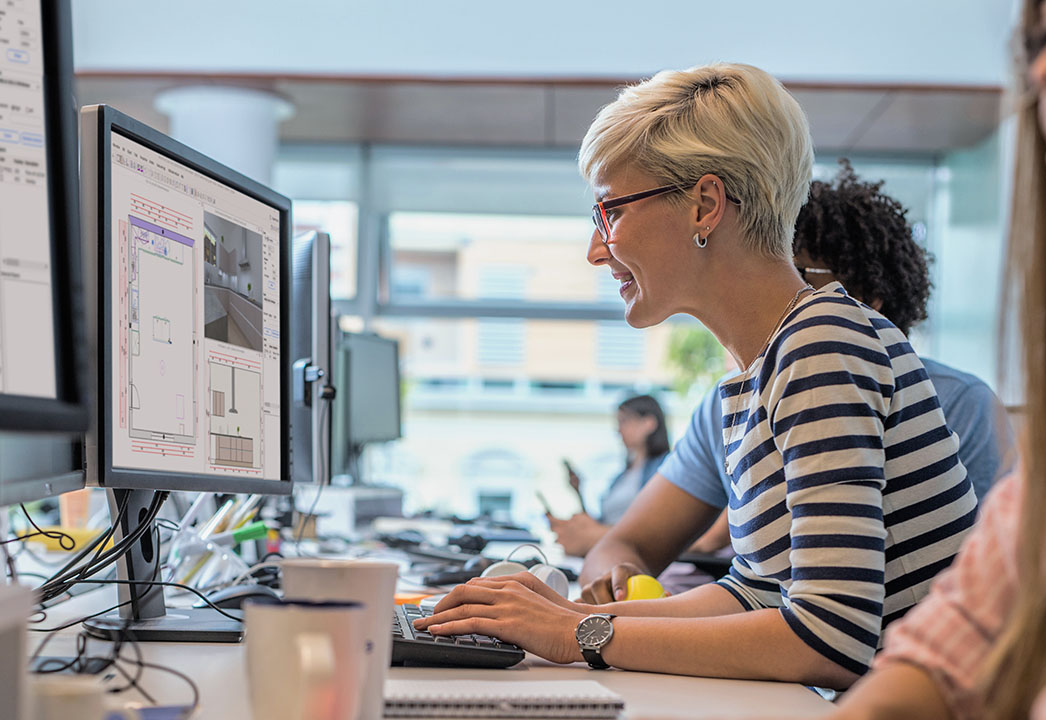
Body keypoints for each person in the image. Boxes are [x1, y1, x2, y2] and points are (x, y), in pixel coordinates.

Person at [414, 63, 976, 689]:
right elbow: (754, 593)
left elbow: (830, 636)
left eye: (610, 212)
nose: (597, 249)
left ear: (705, 205)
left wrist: (577, 635)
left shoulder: (821, 344)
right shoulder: (758, 369)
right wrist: (568, 615)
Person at [811, 1, 1046, 717]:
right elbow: (954, 641)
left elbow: (828, 629)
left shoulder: (953, 396)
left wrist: (593, 632)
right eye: (1039, 36)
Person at [577, 162, 1019, 599]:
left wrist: (588, 630)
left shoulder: (953, 400)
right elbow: (757, 593)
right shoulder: (732, 402)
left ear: (864, 298)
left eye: (799, 275)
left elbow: (837, 624)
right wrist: (618, 599)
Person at [549, 395, 670, 557]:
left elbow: (657, 526)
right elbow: (602, 525)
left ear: (649, 423)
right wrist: (579, 491)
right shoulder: (622, 476)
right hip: (609, 552)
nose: (618, 430)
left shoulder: (665, 468)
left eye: (624, 421)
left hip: (633, 554)